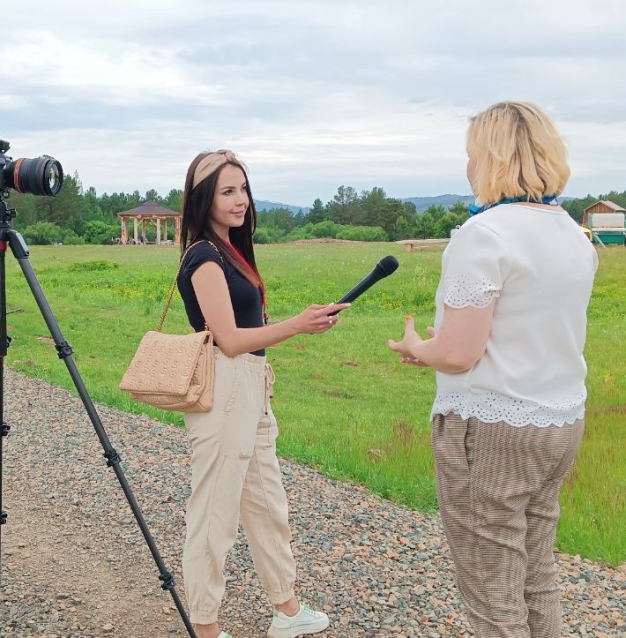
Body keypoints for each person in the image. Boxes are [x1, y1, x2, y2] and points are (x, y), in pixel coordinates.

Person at [388, 101, 598, 637]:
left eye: (470, 155)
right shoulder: (574, 235)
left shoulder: (483, 235)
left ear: (490, 159)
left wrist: (418, 345)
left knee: (491, 591)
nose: (467, 168)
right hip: (559, 420)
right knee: (536, 574)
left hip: (491, 428)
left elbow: (459, 353)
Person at [176, 149, 346, 638]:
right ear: (203, 198)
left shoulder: (233, 251)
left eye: (243, 189)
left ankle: (287, 611)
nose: (240, 200)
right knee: (215, 511)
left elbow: (250, 327)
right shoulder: (204, 256)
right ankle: (205, 627)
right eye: (227, 191)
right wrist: (297, 325)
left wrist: (302, 323)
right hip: (225, 386)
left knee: (266, 501)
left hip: (253, 385)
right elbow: (228, 339)